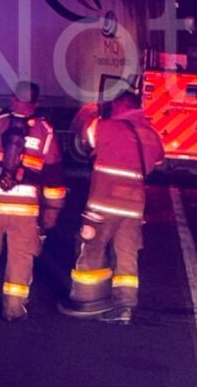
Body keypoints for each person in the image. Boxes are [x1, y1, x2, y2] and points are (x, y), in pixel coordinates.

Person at [0, 81, 63, 321]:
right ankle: (14, 310)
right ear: (36, 103)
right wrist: (52, 211)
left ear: (12, 99)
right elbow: (54, 175)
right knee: (21, 257)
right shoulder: (45, 131)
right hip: (26, 209)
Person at [63, 89, 164, 324]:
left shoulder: (107, 127)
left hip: (103, 204)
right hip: (134, 208)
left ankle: (87, 300)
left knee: (92, 248)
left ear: (121, 107)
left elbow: (83, 132)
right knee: (127, 255)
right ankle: (124, 307)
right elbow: (158, 161)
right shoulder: (151, 135)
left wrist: (91, 108)